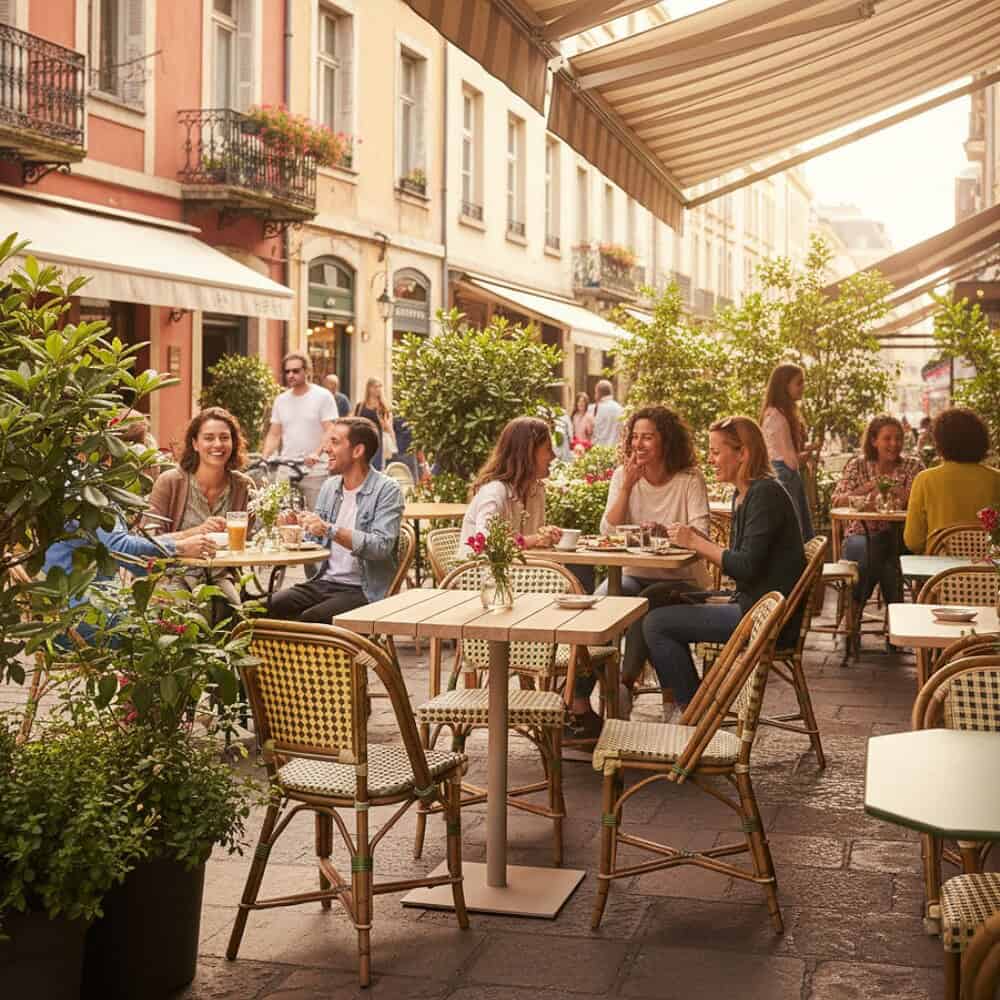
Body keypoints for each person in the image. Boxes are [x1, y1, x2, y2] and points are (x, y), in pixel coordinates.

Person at [642, 417, 805, 717]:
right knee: (654, 596)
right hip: (751, 603)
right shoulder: (744, 493)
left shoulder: (764, 495)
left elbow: (744, 567)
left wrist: (697, 542)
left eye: (716, 452)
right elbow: (744, 560)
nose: (710, 459)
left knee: (656, 624)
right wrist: (692, 540)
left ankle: (694, 714)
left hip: (765, 618)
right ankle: (679, 702)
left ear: (742, 453)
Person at [593, 406, 711, 707]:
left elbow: (701, 532)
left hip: (683, 580)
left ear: (666, 441)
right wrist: (628, 485)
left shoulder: (688, 478)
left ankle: (625, 683)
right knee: (601, 604)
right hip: (632, 573)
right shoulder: (624, 475)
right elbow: (608, 529)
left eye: (647, 437)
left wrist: (665, 531)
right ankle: (581, 699)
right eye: (634, 437)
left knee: (647, 601)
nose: (638, 444)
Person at [268, 416, 404, 622]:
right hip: (323, 582)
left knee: (309, 620)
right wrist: (295, 530)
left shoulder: (387, 490)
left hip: (364, 590)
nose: (326, 449)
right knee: (262, 608)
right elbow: (316, 543)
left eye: (335, 442)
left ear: (358, 451)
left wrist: (329, 529)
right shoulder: (330, 487)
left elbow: (381, 546)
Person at [831, 415, 923, 607]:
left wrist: (892, 488)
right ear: (874, 441)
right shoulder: (857, 465)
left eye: (898, 438)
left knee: (880, 549)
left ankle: (854, 609)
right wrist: (869, 488)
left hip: (903, 536)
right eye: (887, 438)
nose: (894, 443)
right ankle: (895, 619)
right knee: (885, 558)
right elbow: (838, 501)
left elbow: (922, 503)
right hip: (860, 534)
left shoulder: (913, 465)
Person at [904, 407, 1000, 553]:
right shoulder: (996, 479)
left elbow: (913, 542)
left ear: (939, 443)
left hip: (939, 573)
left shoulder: (925, 480)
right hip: (990, 572)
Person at [459, 416, 563, 552]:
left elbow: (530, 548)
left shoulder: (536, 491)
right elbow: (485, 541)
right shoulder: (495, 491)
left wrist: (545, 536)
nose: (553, 456)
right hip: (478, 571)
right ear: (528, 453)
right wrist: (535, 539)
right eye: (548, 449)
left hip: (518, 571)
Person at [149, 407, 255, 537]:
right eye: (209, 438)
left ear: (233, 443)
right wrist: (196, 532)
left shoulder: (244, 486)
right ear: (195, 444)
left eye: (224, 437)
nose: (218, 444)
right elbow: (148, 539)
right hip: (178, 558)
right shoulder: (169, 482)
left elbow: (257, 538)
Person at [262, 352, 338, 509]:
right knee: (282, 517)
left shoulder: (322, 396)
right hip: (286, 468)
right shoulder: (281, 400)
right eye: (287, 371)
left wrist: (317, 453)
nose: (291, 375)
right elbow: (274, 434)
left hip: (315, 471)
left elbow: (330, 430)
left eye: (296, 371)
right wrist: (264, 457)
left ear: (307, 371)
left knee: (316, 518)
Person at [760, 362, 817, 540]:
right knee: (795, 532)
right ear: (785, 385)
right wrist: (808, 454)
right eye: (799, 383)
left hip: (782, 474)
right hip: (785, 476)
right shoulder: (778, 417)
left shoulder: (773, 414)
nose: (803, 387)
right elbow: (791, 461)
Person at [354, 377, 394, 471]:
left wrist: (381, 419)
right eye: (375, 386)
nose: (378, 389)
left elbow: (387, 428)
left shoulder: (383, 407)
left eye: (380, 386)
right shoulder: (360, 406)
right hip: (361, 442)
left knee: (375, 469)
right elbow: (355, 423)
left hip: (377, 444)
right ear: (369, 388)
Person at [588, 379, 624, 447]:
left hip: (598, 450)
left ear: (598, 393)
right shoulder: (620, 409)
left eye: (595, 392)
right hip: (614, 450)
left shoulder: (594, 408)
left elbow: (591, 431)